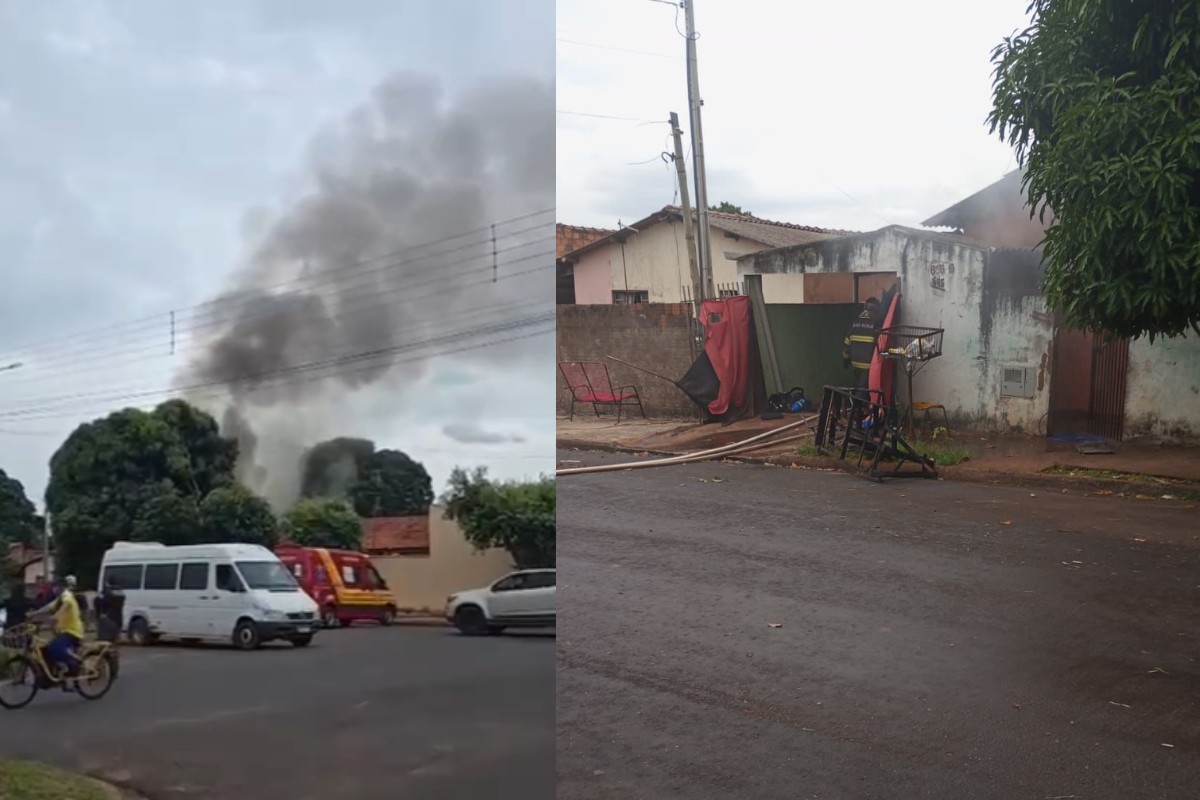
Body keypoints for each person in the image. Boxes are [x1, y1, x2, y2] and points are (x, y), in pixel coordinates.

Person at [30, 575, 85, 686]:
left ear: (62, 587)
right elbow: (47, 608)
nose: (54, 589)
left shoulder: (67, 596)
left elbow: (67, 604)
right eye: (54, 587)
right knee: (45, 650)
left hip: (72, 631)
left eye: (56, 587)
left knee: (56, 649)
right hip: (63, 631)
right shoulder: (59, 599)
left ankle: (75, 664)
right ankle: (52, 677)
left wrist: (56, 617)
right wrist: (32, 614)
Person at [843, 297, 884, 393]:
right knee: (863, 390)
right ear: (876, 309)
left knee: (858, 386)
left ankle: (858, 404)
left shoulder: (854, 322)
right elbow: (881, 343)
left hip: (855, 363)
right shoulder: (876, 323)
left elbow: (846, 342)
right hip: (868, 364)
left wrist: (846, 358)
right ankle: (858, 406)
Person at [94, 574, 126, 643]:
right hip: (119, 620)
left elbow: (101, 602)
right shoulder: (121, 592)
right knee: (114, 641)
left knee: (104, 642)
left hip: (109, 618)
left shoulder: (108, 592)